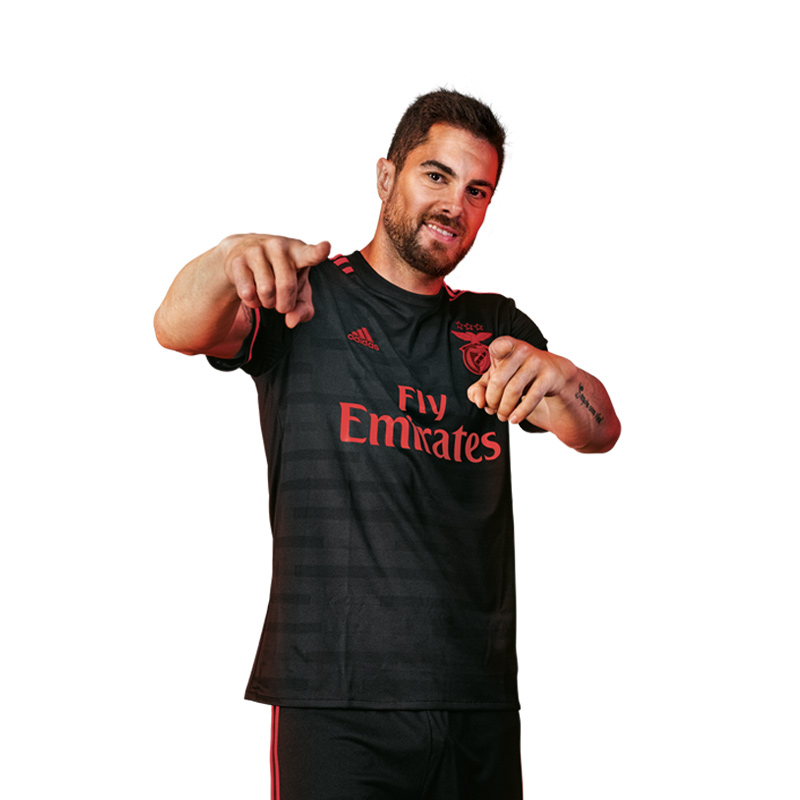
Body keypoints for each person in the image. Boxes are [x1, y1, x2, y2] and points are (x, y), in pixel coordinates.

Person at [155, 89, 620, 799]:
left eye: (477, 191)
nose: (455, 205)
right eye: (436, 175)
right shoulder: (302, 296)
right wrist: (226, 260)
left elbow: (598, 431)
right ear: (385, 177)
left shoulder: (495, 327)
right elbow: (176, 327)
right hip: (334, 699)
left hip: (477, 700)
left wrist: (564, 376)